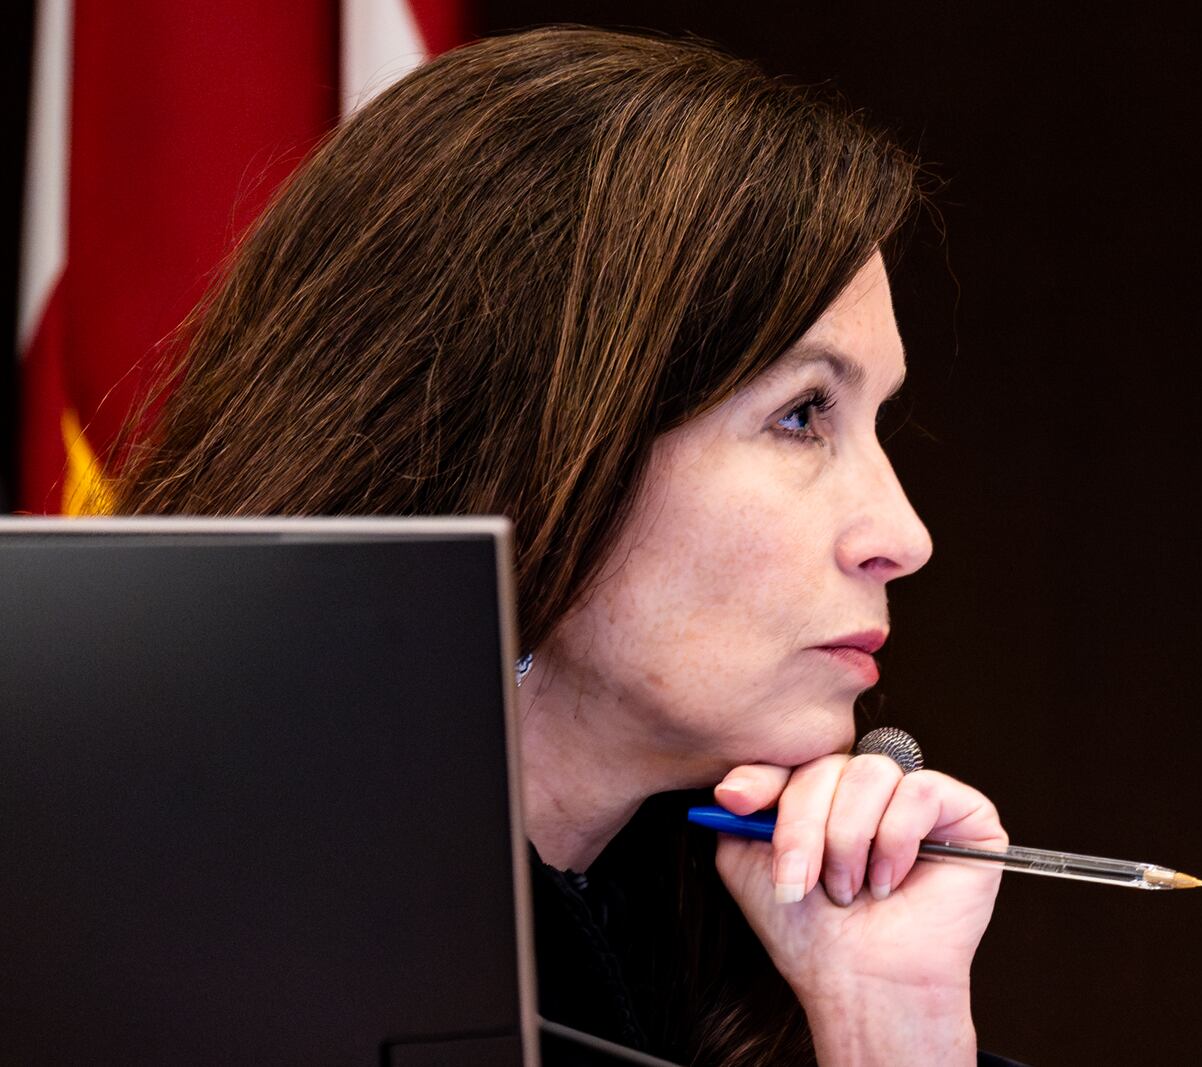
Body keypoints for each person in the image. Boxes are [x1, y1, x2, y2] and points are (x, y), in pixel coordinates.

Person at [111, 25, 1018, 1066]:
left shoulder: (738, 960)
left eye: (872, 422)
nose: (903, 537)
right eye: (802, 414)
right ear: (527, 439)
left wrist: (889, 1030)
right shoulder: (140, 957)